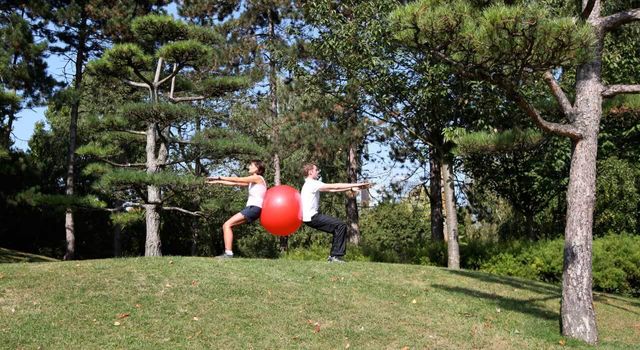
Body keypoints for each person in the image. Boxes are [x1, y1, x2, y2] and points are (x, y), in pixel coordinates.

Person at [300, 163, 370, 263]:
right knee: (340, 226)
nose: (318, 171)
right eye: (316, 170)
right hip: (312, 217)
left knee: (338, 228)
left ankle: (334, 256)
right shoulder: (312, 183)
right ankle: (335, 256)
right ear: (310, 172)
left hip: (309, 218)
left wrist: (351, 188)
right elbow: (335, 187)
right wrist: (356, 184)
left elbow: (332, 189)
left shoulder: (309, 183)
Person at [206, 160, 267, 258]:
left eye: (251, 165)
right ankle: (228, 253)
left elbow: (237, 179)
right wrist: (218, 181)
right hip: (254, 209)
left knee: (227, 225)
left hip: (254, 208)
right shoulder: (253, 181)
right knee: (228, 225)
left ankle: (228, 253)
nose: (249, 167)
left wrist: (219, 176)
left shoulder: (257, 178)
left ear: (257, 168)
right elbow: (235, 184)